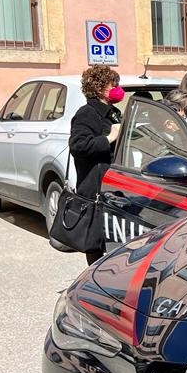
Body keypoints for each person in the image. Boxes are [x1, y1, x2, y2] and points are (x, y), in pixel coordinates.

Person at [69, 64, 124, 265]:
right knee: (95, 240)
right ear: (99, 88)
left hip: (114, 184)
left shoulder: (113, 112)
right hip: (95, 185)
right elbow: (78, 145)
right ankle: (94, 279)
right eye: (113, 85)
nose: (118, 89)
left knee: (112, 236)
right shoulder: (87, 113)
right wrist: (108, 138)